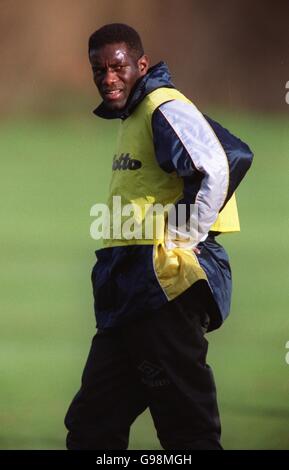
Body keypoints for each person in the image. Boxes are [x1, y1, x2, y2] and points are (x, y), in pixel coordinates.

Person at [64, 23, 253, 450]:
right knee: (92, 426)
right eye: (99, 70)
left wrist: (187, 232)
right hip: (130, 296)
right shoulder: (136, 114)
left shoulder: (161, 105)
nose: (108, 78)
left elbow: (224, 162)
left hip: (163, 290)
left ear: (141, 65)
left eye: (118, 67)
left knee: (188, 432)